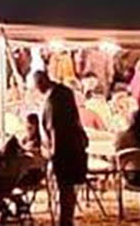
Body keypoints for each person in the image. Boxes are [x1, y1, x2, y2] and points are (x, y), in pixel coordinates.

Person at [35, 70, 89, 226]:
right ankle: (67, 219)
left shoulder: (54, 99)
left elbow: (55, 128)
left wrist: (54, 152)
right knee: (68, 187)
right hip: (72, 147)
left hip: (63, 150)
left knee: (65, 186)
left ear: (42, 82)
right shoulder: (64, 93)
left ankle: (65, 221)